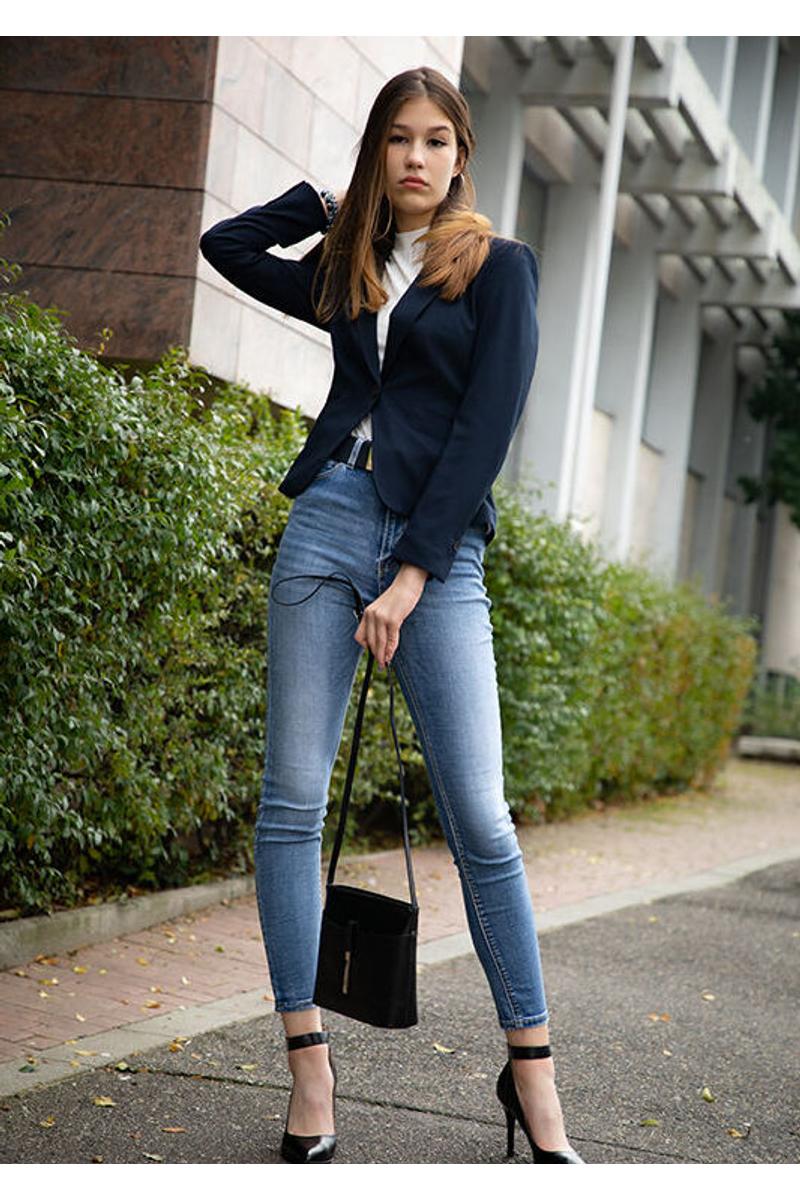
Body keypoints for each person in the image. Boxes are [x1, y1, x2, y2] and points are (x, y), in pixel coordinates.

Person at [199, 65, 584, 1166]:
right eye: (397, 140)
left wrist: (412, 573)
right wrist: (324, 204)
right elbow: (228, 247)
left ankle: (530, 1072)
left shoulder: (500, 270)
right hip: (326, 522)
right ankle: (308, 1066)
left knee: (483, 821)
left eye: (435, 140)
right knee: (291, 804)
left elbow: (484, 432)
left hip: (437, 556)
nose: (416, 157)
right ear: (378, 152)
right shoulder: (350, 265)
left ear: (462, 156)